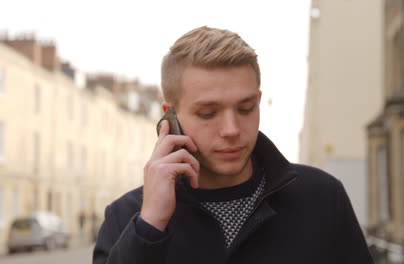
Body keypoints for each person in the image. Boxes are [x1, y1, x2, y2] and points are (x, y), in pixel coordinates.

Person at [92, 26, 373, 264]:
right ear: (170, 116)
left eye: (245, 108)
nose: (231, 130)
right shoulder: (128, 216)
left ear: (259, 102)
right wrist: (149, 228)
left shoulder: (322, 198)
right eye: (208, 113)